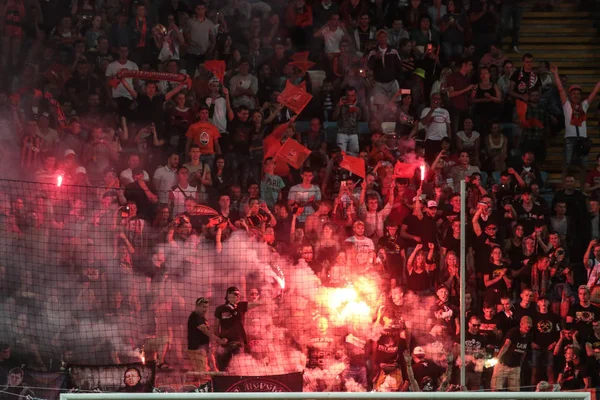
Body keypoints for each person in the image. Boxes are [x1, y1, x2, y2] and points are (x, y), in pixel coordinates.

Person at [214, 286, 263, 370]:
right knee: (222, 368)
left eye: (239, 295)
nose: (237, 297)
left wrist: (273, 297)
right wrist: (218, 341)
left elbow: (258, 303)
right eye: (235, 294)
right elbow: (215, 327)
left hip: (238, 343)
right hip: (224, 343)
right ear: (228, 295)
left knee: (238, 368)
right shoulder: (220, 309)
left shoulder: (241, 306)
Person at [491, 316, 533, 391]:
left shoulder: (528, 337)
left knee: (514, 392)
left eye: (529, 327)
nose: (528, 328)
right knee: (496, 389)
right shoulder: (513, 332)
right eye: (527, 326)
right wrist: (498, 357)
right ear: (521, 324)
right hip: (503, 364)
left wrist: (520, 364)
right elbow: (506, 345)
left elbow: (525, 351)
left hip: (515, 367)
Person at [188, 297, 225, 378]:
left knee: (205, 375)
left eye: (206, 307)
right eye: (203, 307)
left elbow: (207, 332)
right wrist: (219, 340)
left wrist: (214, 368)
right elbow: (206, 331)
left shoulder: (202, 317)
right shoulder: (195, 316)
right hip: (196, 350)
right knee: (202, 376)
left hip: (203, 349)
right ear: (197, 306)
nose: (205, 309)